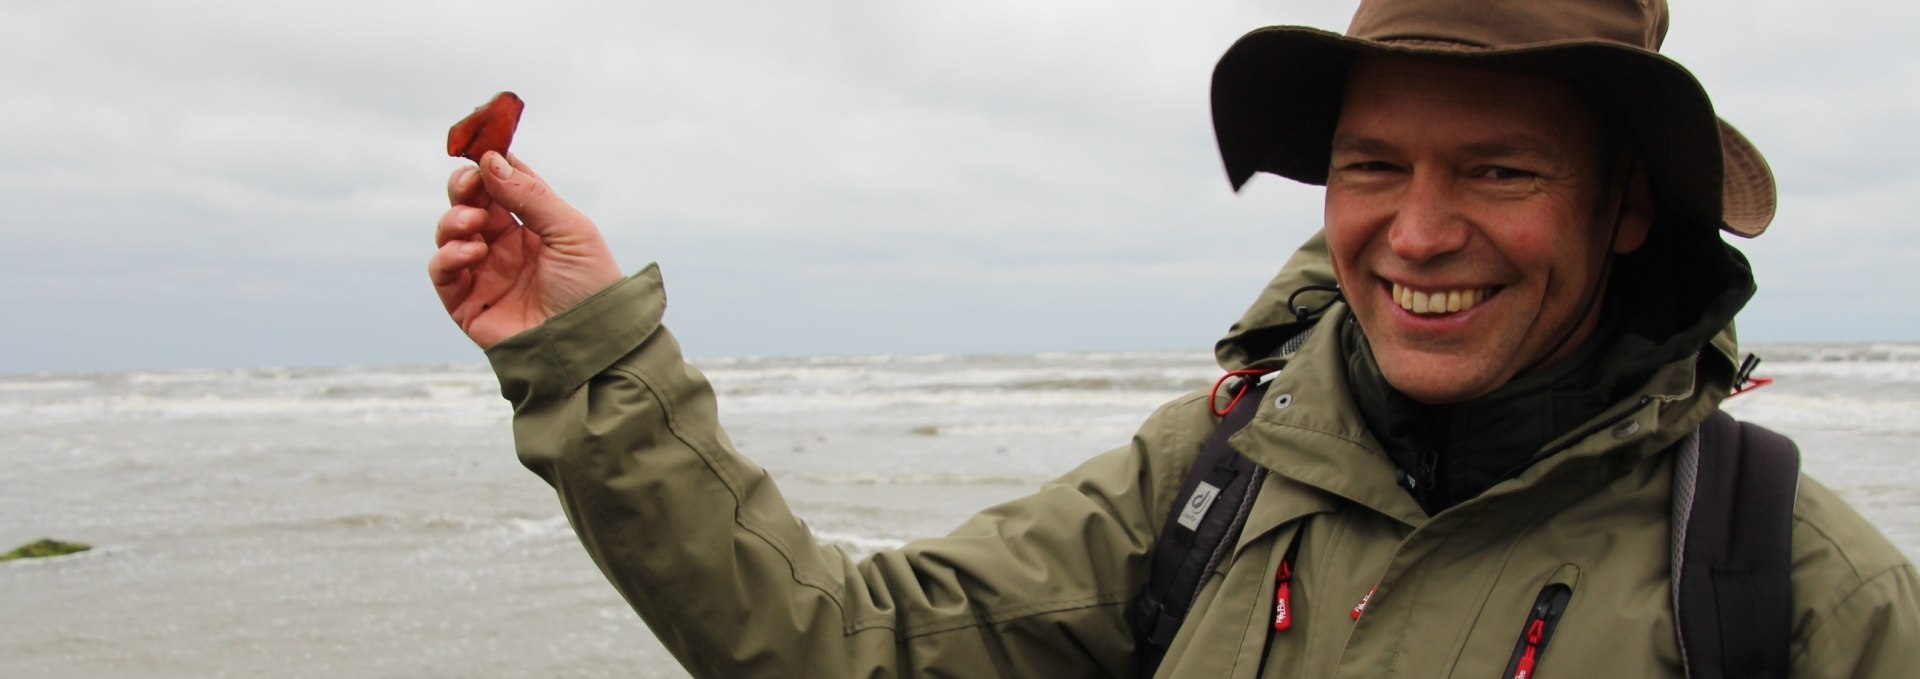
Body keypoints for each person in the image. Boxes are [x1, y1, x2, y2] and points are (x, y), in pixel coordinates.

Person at [429, 0, 1919, 676]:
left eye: (1502, 170)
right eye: (1371, 164)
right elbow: (846, 645)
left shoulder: (1784, 588)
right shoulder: (1215, 474)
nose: (1416, 231)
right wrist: (593, 358)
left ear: (1628, 211)